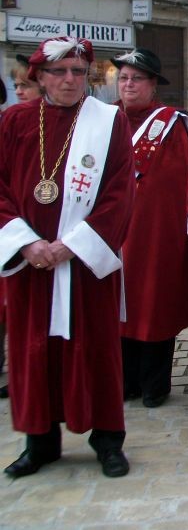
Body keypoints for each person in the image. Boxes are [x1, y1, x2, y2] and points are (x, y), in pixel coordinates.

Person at [0, 37, 135, 479]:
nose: (71, 80)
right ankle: (39, 443)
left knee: (95, 351)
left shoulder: (107, 121)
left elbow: (119, 193)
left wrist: (71, 245)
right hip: (31, 265)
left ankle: (107, 440)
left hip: (84, 265)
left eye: (79, 72)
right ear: (39, 76)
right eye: (60, 72)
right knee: (32, 352)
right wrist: (26, 242)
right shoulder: (15, 121)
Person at [114, 49, 188, 409]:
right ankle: (124, 380)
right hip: (111, 235)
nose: (129, 84)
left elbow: (179, 184)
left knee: (153, 305)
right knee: (116, 306)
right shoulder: (106, 121)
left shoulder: (169, 125)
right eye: (123, 78)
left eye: (137, 79)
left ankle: (154, 383)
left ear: (153, 85)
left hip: (154, 236)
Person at [0, 55, 42, 400]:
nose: (19, 92)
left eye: (23, 85)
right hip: (20, 239)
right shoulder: (13, 121)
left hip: (61, 248)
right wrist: (22, 240)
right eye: (16, 86)